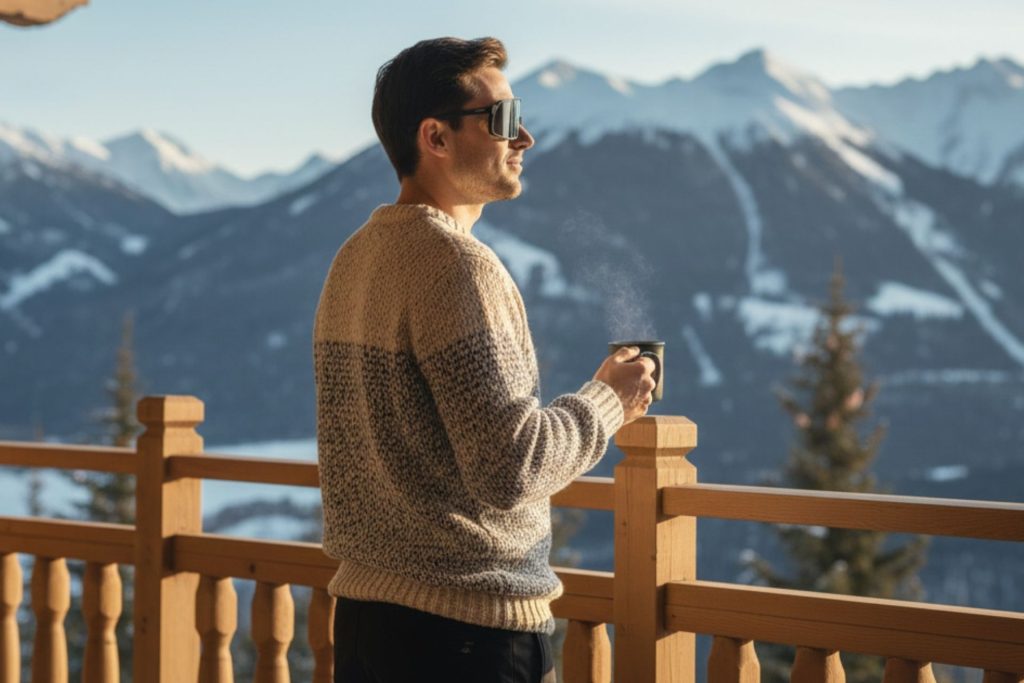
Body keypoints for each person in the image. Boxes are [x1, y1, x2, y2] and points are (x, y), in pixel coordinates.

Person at [313, 36, 656, 683]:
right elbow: (510, 465)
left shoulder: (354, 258)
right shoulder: (459, 266)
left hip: (366, 621)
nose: (523, 137)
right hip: (466, 634)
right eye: (501, 119)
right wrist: (608, 400)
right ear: (436, 138)